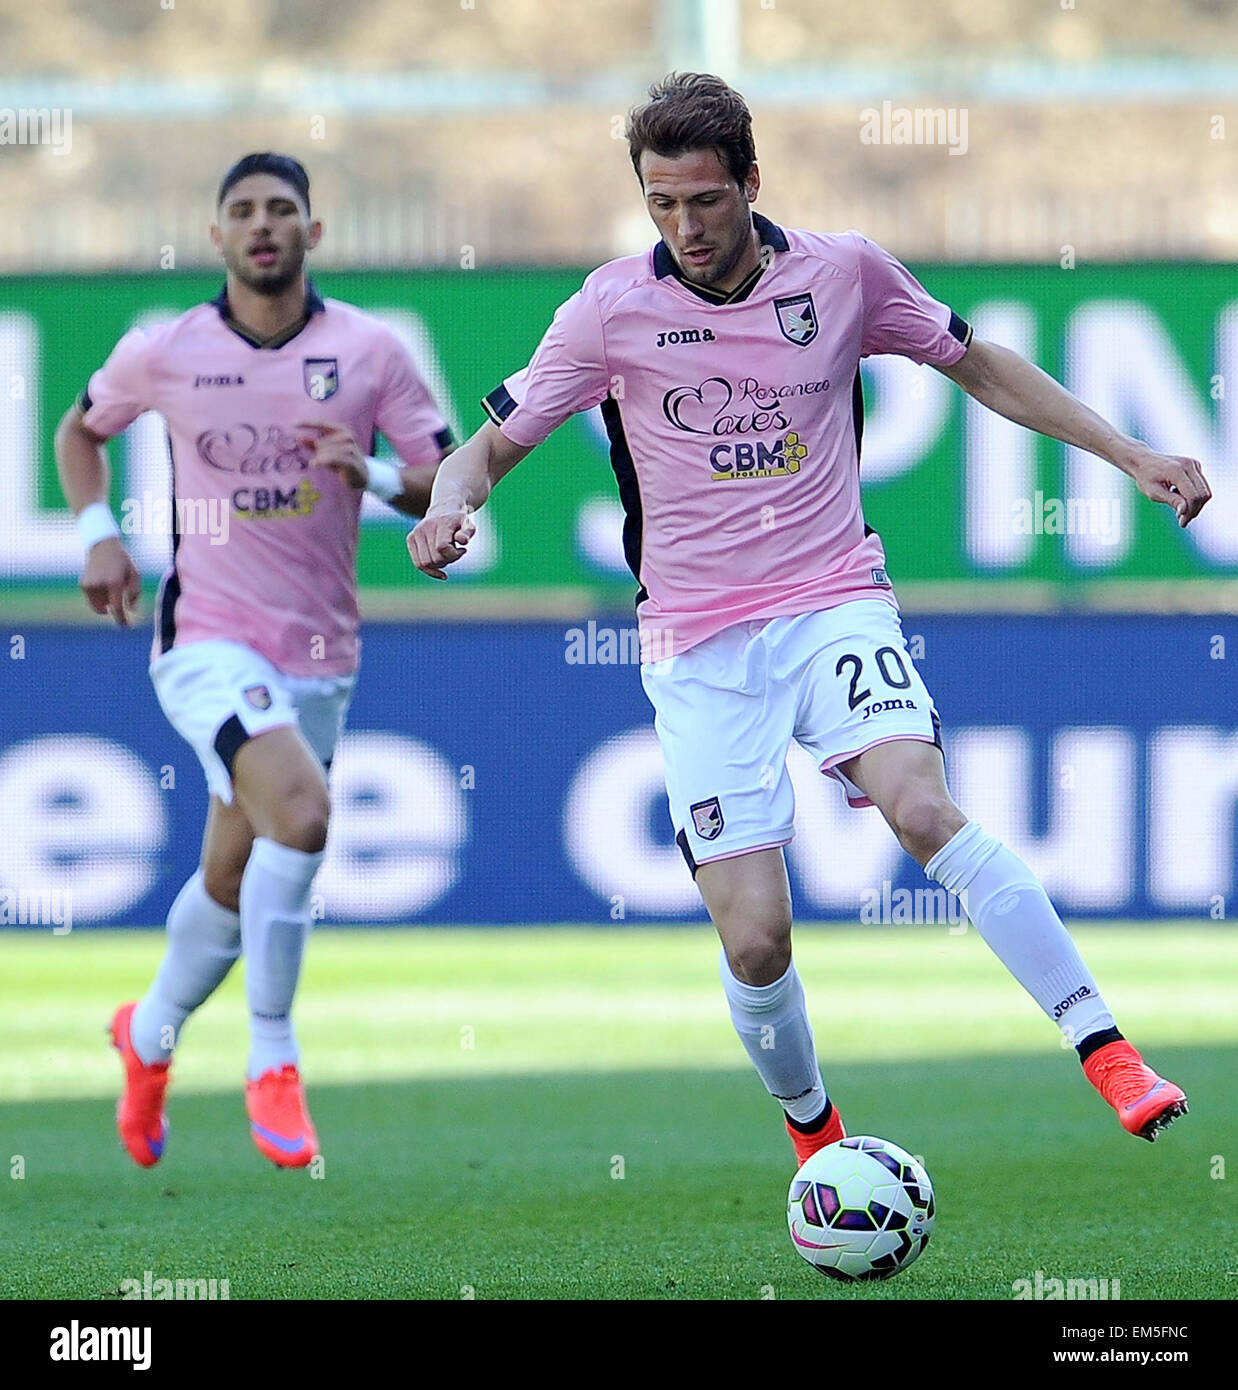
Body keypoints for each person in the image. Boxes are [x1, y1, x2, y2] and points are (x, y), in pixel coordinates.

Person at [408, 75, 1210, 1166]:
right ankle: (817, 1140)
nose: (684, 228)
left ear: (748, 182)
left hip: (830, 598)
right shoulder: (607, 310)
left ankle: (1105, 1049)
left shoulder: (842, 273)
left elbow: (978, 366)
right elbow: (485, 449)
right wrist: (449, 507)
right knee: (753, 938)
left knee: (922, 810)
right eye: (660, 205)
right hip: (696, 648)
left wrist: (1131, 454)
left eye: (703, 201)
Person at [55, 152, 453, 1169]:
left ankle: (144, 1035)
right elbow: (79, 429)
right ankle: (271, 1056)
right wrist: (98, 530)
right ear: (219, 235)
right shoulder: (168, 349)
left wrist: (365, 472)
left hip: (319, 653)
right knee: (306, 816)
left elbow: (442, 481)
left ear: (313, 233)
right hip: (206, 638)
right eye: (243, 211)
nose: (262, 225)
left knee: (232, 875)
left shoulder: (371, 350)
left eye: (282, 209)